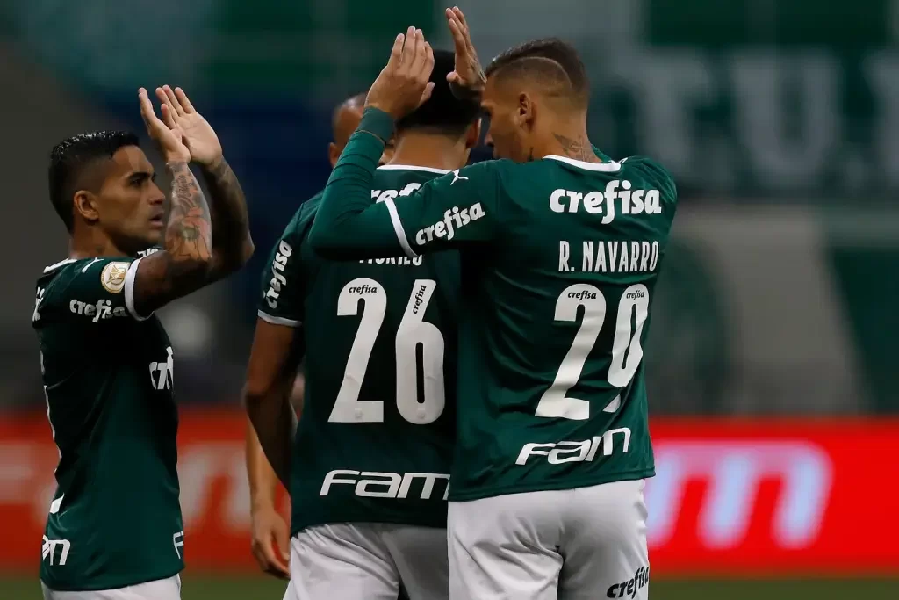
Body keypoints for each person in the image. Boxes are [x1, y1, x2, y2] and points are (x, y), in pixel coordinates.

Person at [307, 12, 677, 600]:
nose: (489, 135)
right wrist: (511, 96)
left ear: (526, 110)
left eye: (492, 116)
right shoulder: (652, 189)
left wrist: (378, 113)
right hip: (613, 483)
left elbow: (336, 227)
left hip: (509, 485)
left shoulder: (500, 191)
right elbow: (584, 162)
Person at [245, 48, 479, 600]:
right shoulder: (489, 213)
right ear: (476, 131)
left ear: (390, 120)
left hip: (337, 507)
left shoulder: (312, 218)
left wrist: (300, 483)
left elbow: (261, 387)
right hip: (459, 504)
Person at [33, 86, 253, 600]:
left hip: (128, 559)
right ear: (86, 206)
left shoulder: (124, 288)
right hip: (110, 564)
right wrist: (180, 166)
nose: (157, 195)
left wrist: (214, 165)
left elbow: (236, 249)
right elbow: (193, 257)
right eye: (137, 183)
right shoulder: (73, 287)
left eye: (155, 179)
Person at [244, 90, 388, 580]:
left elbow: (266, 387)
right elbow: (273, 384)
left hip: (410, 503)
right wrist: (268, 501)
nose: (376, 157)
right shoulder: (312, 236)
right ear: (335, 158)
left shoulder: (308, 227)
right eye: (361, 146)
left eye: (386, 143)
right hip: (376, 507)